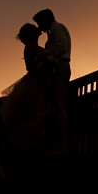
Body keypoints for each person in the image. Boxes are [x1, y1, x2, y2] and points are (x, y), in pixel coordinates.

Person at [0, 23, 50, 155]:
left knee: (37, 115)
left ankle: (22, 144)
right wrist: (41, 74)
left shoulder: (39, 47)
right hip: (32, 84)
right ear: (30, 32)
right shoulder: (30, 47)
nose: (36, 28)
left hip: (39, 84)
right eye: (33, 27)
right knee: (40, 116)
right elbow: (30, 66)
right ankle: (16, 142)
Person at [33, 8, 71, 155]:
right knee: (55, 105)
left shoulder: (56, 28)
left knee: (58, 106)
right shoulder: (54, 30)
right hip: (58, 66)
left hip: (59, 67)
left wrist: (47, 58)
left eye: (39, 22)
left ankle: (61, 147)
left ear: (47, 19)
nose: (39, 27)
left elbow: (61, 46)